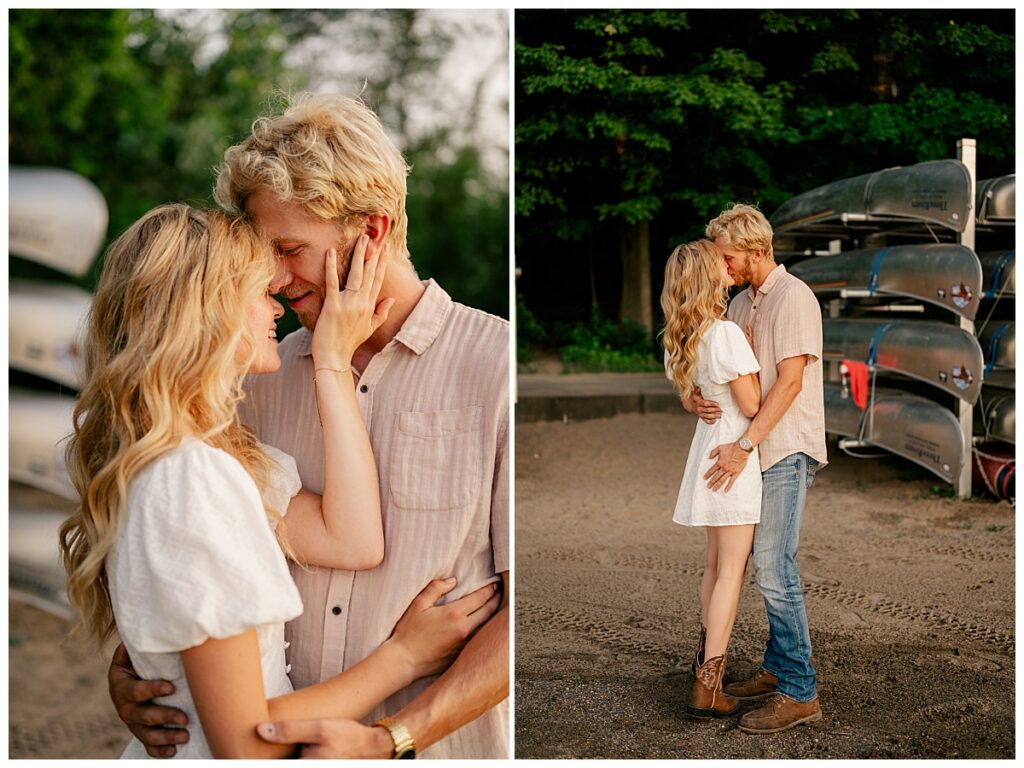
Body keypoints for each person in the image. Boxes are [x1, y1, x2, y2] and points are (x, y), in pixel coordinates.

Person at [107, 94, 510, 759]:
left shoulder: (494, 367)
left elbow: (521, 613)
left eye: (289, 249)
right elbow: (183, 554)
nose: (274, 277)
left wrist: (393, 737)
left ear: (372, 233)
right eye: (264, 256)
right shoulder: (249, 373)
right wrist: (147, 671)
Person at [694, 203, 827, 734]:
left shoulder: (795, 298)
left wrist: (744, 444)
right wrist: (697, 402)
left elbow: (790, 384)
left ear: (758, 250)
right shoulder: (743, 301)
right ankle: (775, 668)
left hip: (783, 448)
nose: (722, 268)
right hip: (756, 449)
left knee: (774, 567)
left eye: (728, 257)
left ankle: (800, 690)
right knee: (760, 565)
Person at [661, 239, 762, 719]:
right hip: (730, 457)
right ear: (708, 277)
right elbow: (752, 405)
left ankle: (705, 662)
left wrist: (694, 401)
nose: (728, 266)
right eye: (719, 263)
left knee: (714, 565)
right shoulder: (724, 335)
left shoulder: (682, 334)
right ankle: (709, 685)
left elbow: (689, 395)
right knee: (731, 571)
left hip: (706, 452)